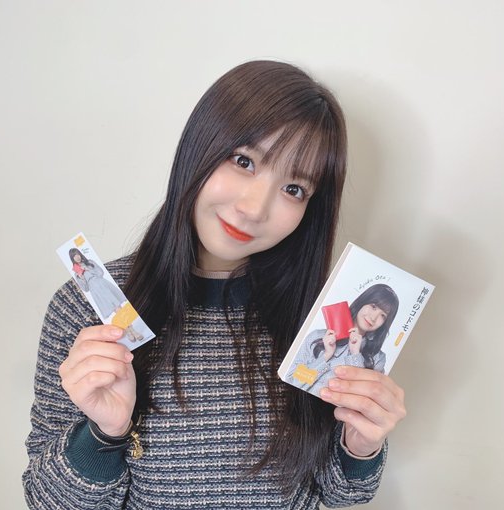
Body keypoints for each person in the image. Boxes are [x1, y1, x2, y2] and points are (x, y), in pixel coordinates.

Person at [23, 60, 407, 509]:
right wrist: (104, 435)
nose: (254, 208)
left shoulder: (323, 318)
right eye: (244, 161)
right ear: (198, 147)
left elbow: (342, 494)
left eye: (294, 189)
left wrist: (360, 447)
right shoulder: (87, 306)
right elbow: (47, 501)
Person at [288, 284, 400, 396]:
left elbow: (360, 398)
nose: (373, 317)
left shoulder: (377, 358)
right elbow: (292, 380)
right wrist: (326, 356)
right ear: (362, 302)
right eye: (373, 306)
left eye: (383, 315)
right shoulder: (318, 336)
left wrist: (355, 355)